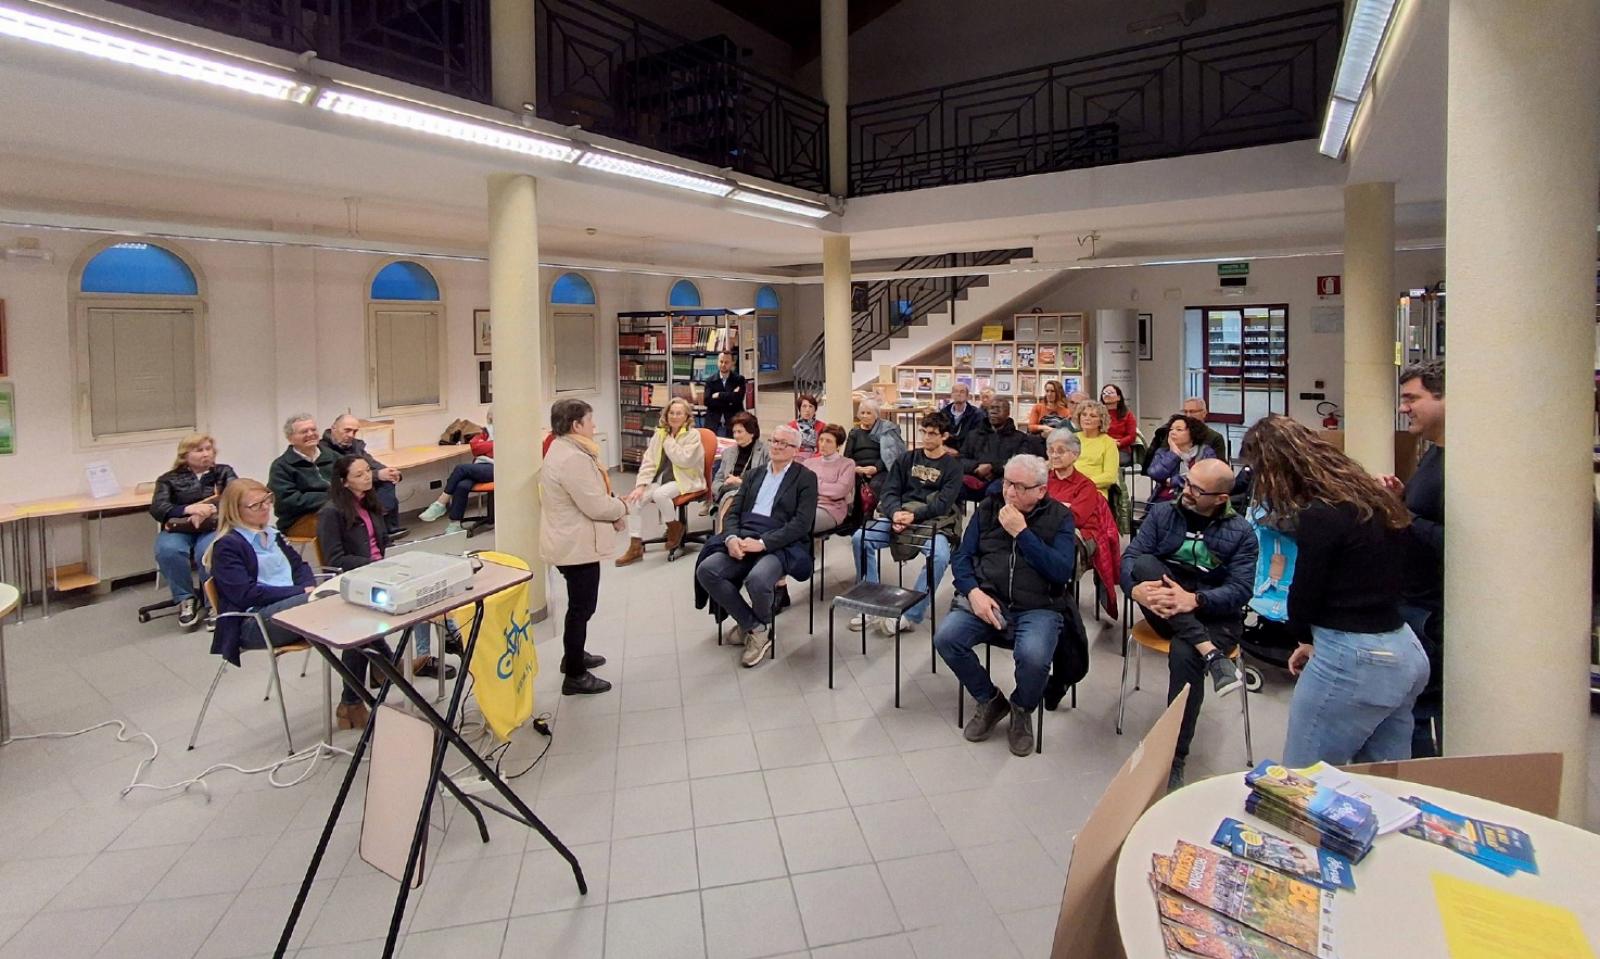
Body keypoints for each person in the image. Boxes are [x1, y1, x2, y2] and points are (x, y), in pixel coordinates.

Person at [1241, 416, 1428, 767]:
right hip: (1404, 649)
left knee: (1304, 780)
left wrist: (1303, 635)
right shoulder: (1371, 498)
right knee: (1383, 783)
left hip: (1354, 659)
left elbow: (1306, 594)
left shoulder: (1320, 515)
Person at [206, 479, 388, 730]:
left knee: (354, 612)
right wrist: (301, 592)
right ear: (236, 510)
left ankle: (354, 700)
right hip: (254, 621)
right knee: (344, 604)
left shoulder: (273, 535)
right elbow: (246, 594)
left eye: (267, 501)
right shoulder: (228, 546)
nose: (265, 508)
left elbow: (300, 567)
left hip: (294, 606)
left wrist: (306, 589)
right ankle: (385, 667)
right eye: (255, 505)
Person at [1122, 458, 1256, 789]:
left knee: (1185, 655)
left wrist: (1195, 600)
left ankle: (1175, 756)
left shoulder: (1241, 532)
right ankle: (1212, 655)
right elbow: (1130, 560)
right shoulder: (1163, 513)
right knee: (1145, 562)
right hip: (1163, 606)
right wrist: (1135, 590)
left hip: (1214, 616)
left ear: (1221, 498)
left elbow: (1240, 590)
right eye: (1187, 481)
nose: (1186, 490)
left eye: (1197, 488)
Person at [934, 454, 1077, 757]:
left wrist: (1021, 533)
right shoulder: (988, 508)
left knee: (1034, 657)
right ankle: (990, 699)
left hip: (1038, 606)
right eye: (1007, 483)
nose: (1010, 492)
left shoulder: (1059, 518)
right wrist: (973, 592)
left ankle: (1022, 708)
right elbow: (962, 558)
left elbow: (1062, 571)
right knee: (947, 638)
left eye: (1020, 487)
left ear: (1041, 489)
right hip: (989, 599)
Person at [316, 455, 454, 680]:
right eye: (358, 475)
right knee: (371, 622)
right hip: (359, 576)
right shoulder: (331, 513)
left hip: (382, 569)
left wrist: (397, 558)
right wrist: (375, 564)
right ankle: (392, 663)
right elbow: (335, 559)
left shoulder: (370, 504)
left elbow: (382, 543)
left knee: (425, 584)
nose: (367, 477)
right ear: (344, 482)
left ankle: (407, 657)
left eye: (368, 471)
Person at [694, 424, 818, 667]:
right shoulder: (753, 475)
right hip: (743, 535)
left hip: (780, 542)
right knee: (707, 570)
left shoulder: (805, 478)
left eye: (784, 443)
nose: (777, 447)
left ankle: (755, 631)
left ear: (796, 449)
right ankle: (756, 627)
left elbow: (801, 525)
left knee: (758, 580)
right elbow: (733, 513)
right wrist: (730, 538)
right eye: (774, 441)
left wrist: (762, 544)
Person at [1380, 360, 1446, 757]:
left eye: (1412, 398)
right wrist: (1402, 497)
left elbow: (1460, 542)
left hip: (1429, 610)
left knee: (1420, 713)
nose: (1404, 408)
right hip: (1412, 600)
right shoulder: (1432, 453)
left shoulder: (1465, 463)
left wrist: (1403, 515)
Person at [542, 398, 630, 696]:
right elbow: (594, 505)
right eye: (590, 422)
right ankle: (576, 675)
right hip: (575, 545)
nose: (594, 427)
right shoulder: (573, 459)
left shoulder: (563, 449)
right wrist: (620, 507)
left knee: (579, 606)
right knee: (582, 607)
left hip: (570, 541)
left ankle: (574, 657)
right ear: (576, 425)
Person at [848, 411, 963, 636]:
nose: (926, 438)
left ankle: (910, 614)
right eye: (924, 432)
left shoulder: (952, 467)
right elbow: (890, 491)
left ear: (944, 436)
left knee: (940, 556)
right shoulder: (907, 459)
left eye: (932, 434)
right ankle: (869, 603)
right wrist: (895, 514)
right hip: (899, 516)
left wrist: (913, 516)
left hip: (932, 521)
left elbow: (942, 503)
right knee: (860, 539)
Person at [1042, 428, 1119, 710]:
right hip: (1042, 534)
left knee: (1059, 556)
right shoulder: (1042, 478)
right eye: (1051, 449)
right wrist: (1057, 509)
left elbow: (1077, 516)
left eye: (1061, 450)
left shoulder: (1084, 485)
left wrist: (1050, 509)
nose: (1054, 455)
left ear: (1075, 454)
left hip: (1072, 539)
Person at [150, 434, 238, 629]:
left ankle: (214, 602)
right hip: (180, 527)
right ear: (185, 455)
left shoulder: (224, 472)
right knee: (168, 550)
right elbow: (158, 508)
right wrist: (188, 510)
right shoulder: (168, 479)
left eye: (209, 449)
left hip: (213, 525)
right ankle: (185, 598)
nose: (206, 454)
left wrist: (209, 510)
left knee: (208, 551)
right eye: (199, 450)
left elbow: (235, 497)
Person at [617, 397, 707, 566]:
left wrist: (669, 441)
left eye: (679, 413)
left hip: (686, 480)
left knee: (660, 494)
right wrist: (641, 486)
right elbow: (649, 461)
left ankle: (674, 526)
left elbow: (684, 460)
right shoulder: (660, 434)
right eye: (671, 413)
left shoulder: (693, 435)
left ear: (687, 416)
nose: (674, 416)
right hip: (661, 479)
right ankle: (635, 545)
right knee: (633, 502)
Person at [320, 414, 406, 537]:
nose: (351, 435)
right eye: (347, 430)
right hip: (343, 489)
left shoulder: (354, 446)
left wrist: (390, 472)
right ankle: (382, 527)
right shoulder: (324, 449)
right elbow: (343, 475)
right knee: (377, 483)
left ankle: (385, 527)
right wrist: (377, 475)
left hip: (360, 485)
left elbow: (371, 463)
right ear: (334, 428)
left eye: (354, 431)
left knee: (387, 480)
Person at [417, 413, 496, 534]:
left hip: (498, 468)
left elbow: (496, 448)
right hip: (480, 467)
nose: (491, 420)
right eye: (490, 418)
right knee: (462, 485)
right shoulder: (486, 431)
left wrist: (488, 447)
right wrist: (489, 447)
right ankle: (455, 524)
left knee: (461, 469)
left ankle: (441, 503)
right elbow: (475, 447)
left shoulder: (509, 432)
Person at [960, 397, 1044, 498]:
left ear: (1008, 413)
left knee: (995, 491)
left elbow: (1020, 464)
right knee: (953, 484)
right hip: (975, 475)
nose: (993, 412)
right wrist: (976, 467)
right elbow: (961, 460)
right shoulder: (973, 435)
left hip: (1002, 478)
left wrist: (993, 467)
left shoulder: (1019, 438)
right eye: (991, 408)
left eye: (998, 409)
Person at [267, 413, 336, 532]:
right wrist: (334, 496)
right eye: (304, 431)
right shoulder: (281, 466)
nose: (310, 434)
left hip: (336, 515)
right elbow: (287, 502)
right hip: (300, 523)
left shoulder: (334, 457)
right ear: (290, 438)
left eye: (313, 429)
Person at [713, 412, 769, 531]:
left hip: (752, 493)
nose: (736, 436)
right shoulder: (728, 453)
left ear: (752, 432)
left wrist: (740, 482)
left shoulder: (765, 451)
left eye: (740, 432)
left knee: (732, 498)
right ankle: (726, 537)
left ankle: (721, 536)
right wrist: (724, 485)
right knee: (731, 496)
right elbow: (717, 480)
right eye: (734, 432)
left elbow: (767, 480)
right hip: (727, 491)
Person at [842, 397, 906, 496]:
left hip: (879, 468)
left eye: (869, 413)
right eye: (862, 413)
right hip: (857, 468)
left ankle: (874, 511)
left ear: (876, 415)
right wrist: (857, 468)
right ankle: (856, 511)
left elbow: (888, 456)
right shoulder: (854, 432)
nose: (865, 416)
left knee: (876, 485)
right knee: (851, 484)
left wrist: (876, 468)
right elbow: (848, 456)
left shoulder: (885, 431)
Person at [1147, 414, 1218, 502]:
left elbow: (1206, 479)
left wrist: (1173, 481)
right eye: (1171, 429)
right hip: (1164, 498)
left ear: (1192, 432)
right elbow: (1155, 473)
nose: (1173, 432)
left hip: (1194, 499)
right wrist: (1174, 454)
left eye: (1179, 429)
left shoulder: (1206, 452)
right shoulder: (1162, 452)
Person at [1144, 398, 1230, 469]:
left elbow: (1219, 467)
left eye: (1192, 411)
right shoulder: (1173, 434)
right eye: (1185, 412)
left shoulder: (1215, 437)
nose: (1188, 416)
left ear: (1204, 413)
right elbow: (1159, 463)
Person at [804, 424, 854, 534]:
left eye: (828, 441)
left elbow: (839, 491)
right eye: (821, 440)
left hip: (831, 510)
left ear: (838, 446)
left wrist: (812, 484)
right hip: (805, 506)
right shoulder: (809, 463)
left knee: (800, 523)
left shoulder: (847, 464)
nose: (823, 444)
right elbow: (799, 488)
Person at [1071, 400, 1120, 494]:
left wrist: (1083, 484)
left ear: (1101, 421)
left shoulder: (1108, 443)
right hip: (1069, 487)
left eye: (1093, 416)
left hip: (1094, 490)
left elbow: (1110, 476)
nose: (1087, 418)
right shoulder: (1071, 438)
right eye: (1084, 414)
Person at [702, 351, 747, 438]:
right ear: (717, 362)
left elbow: (738, 399)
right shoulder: (710, 381)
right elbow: (707, 401)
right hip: (714, 423)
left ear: (732, 363)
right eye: (721, 362)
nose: (723, 364)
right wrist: (730, 399)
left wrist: (719, 395)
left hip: (733, 422)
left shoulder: (739, 379)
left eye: (726, 362)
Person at [939, 383, 985, 450]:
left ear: (967, 396)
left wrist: (960, 453)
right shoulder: (943, 413)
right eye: (955, 391)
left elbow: (978, 439)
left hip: (967, 455)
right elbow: (940, 434)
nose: (958, 394)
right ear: (952, 395)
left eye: (962, 392)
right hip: (945, 452)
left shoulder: (977, 414)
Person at [1101, 384, 1138, 460]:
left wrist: (1118, 443)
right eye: (1104, 393)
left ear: (1118, 397)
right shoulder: (1097, 414)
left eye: (1110, 392)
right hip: (1100, 447)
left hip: (1120, 449)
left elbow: (1131, 436)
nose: (1106, 395)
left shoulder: (1128, 415)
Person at [787, 394, 827, 460]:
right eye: (804, 406)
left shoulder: (822, 426)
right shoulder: (791, 426)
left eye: (810, 406)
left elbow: (824, 448)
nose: (807, 410)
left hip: (816, 460)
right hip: (796, 460)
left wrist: (812, 459)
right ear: (799, 409)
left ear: (815, 410)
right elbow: (788, 448)